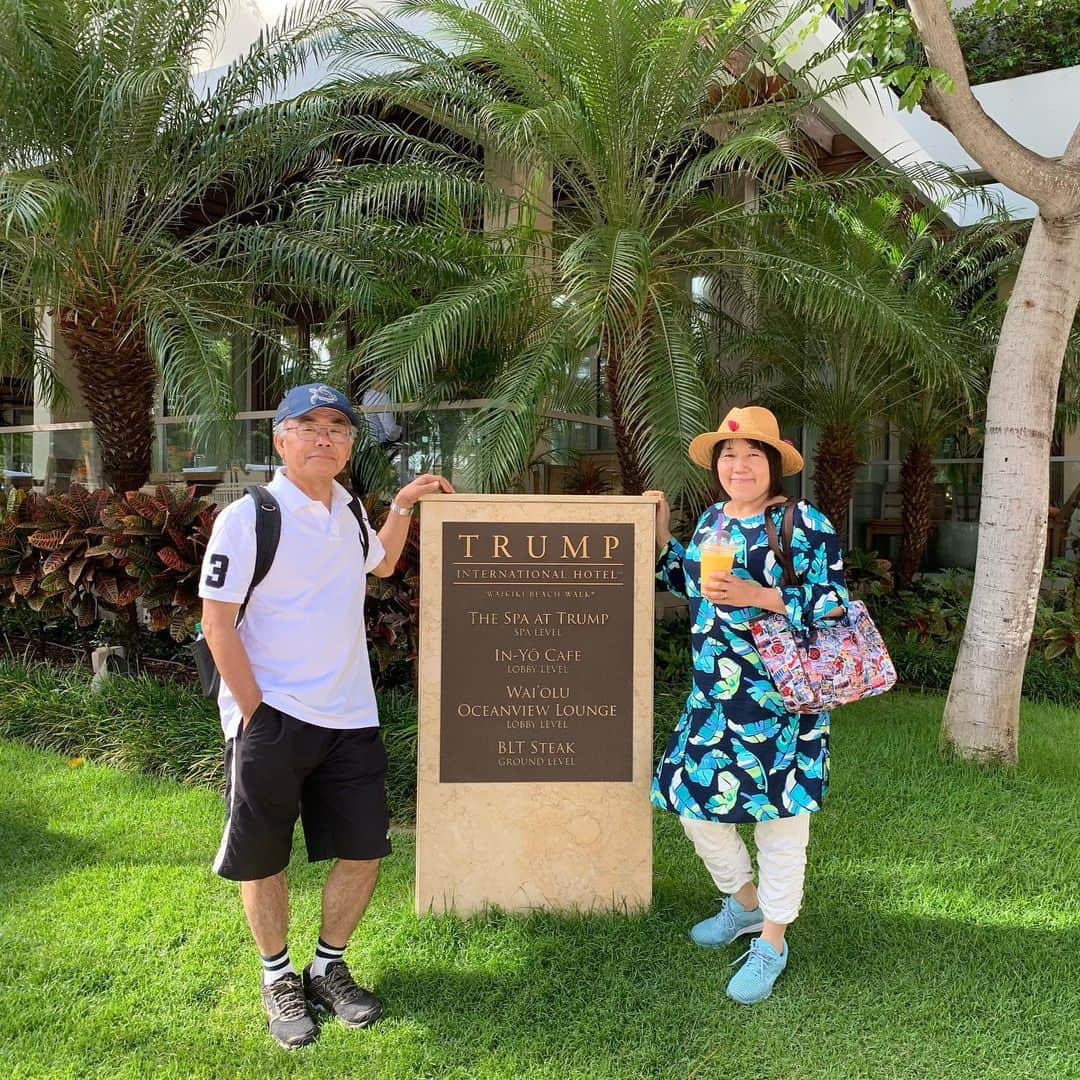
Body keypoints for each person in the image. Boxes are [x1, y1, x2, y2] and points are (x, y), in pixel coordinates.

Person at [199, 382, 453, 1049]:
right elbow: (216, 621)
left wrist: (399, 505)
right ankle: (278, 976)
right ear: (279, 439)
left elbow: (384, 562)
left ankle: (328, 967)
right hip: (274, 717)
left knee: (364, 850)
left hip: (351, 716)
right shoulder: (251, 515)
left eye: (337, 428)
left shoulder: (349, 510)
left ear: (348, 444)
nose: (323, 437)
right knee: (264, 858)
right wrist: (255, 712)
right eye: (307, 426)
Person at [644, 405, 849, 1005]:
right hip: (713, 699)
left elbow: (834, 601)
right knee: (693, 805)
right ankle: (745, 905)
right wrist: (658, 530)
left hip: (783, 699)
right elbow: (686, 580)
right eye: (728, 455)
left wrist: (761, 594)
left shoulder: (802, 521)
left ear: (773, 464)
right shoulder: (712, 519)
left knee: (782, 823)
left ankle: (774, 942)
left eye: (752, 455)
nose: (738, 465)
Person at [361, 380, 402, 447]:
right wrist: (401, 431)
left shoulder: (366, 396)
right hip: (381, 445)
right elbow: (390, 431)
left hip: (369, 445)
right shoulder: (381, 397)